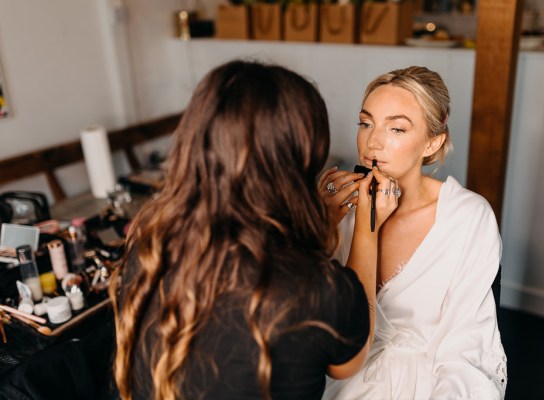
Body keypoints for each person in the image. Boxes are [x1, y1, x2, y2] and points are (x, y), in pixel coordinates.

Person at [109, 60, 379, 400]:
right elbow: (349, 362)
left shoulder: (152, 240)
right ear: (296, 162)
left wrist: (317, 225)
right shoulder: (321, 290)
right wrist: (368, 229)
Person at [319, 66, 507, 399]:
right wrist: (317, 227)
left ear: (432, 142)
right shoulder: (341, 209)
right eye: (365, 124)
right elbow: (308, 318)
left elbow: (466, 347)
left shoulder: (466, 217)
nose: (372, 142)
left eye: (396, 128)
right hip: (341, 377)